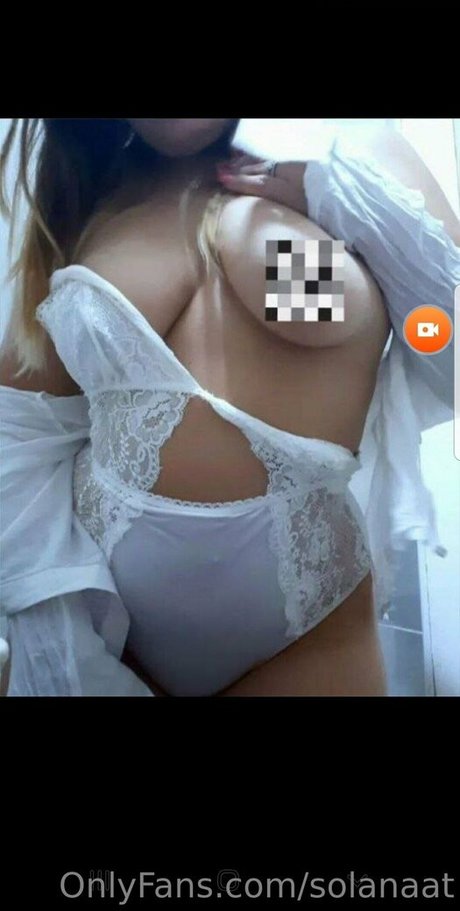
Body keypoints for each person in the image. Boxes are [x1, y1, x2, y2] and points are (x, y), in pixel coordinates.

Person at [0, 119, 458, 697]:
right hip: (102, 626)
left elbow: (444, 345)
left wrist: (350, 200)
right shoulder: (95, 188)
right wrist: (47, 608)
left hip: (306, 640)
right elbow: (21, 413)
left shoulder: (353, 142)